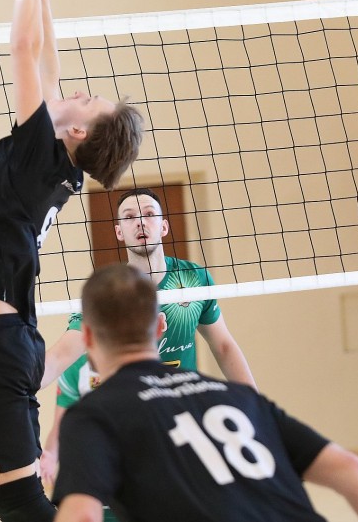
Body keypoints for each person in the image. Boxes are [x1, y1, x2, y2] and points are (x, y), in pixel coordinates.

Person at [0, 0, 143, 522]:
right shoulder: (57, 165)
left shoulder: (37, 156)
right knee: (27, 502)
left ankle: (75, 352)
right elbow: (47, 58)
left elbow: (23, 47)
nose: (78, 90)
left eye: (89, 100)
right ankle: (73, 352)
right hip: (2, 342)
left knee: (25, 506)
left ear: (77, 130)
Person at [52, 264, 358, 522]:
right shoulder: (239, 397)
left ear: (87, 337)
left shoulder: (94, 414)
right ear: (160, 325)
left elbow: (82, 515)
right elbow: (351, 468)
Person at [40, 188, 256, 498]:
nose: (140, 222)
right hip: (128, 426)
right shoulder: (107, 292)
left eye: (149, 214)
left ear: (163, 226)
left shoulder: (194, 280)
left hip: (181, 423)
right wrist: (16, 384)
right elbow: (61, 355)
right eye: (129, 217)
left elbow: (223, 346)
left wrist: (254, 404)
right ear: (119, 232)